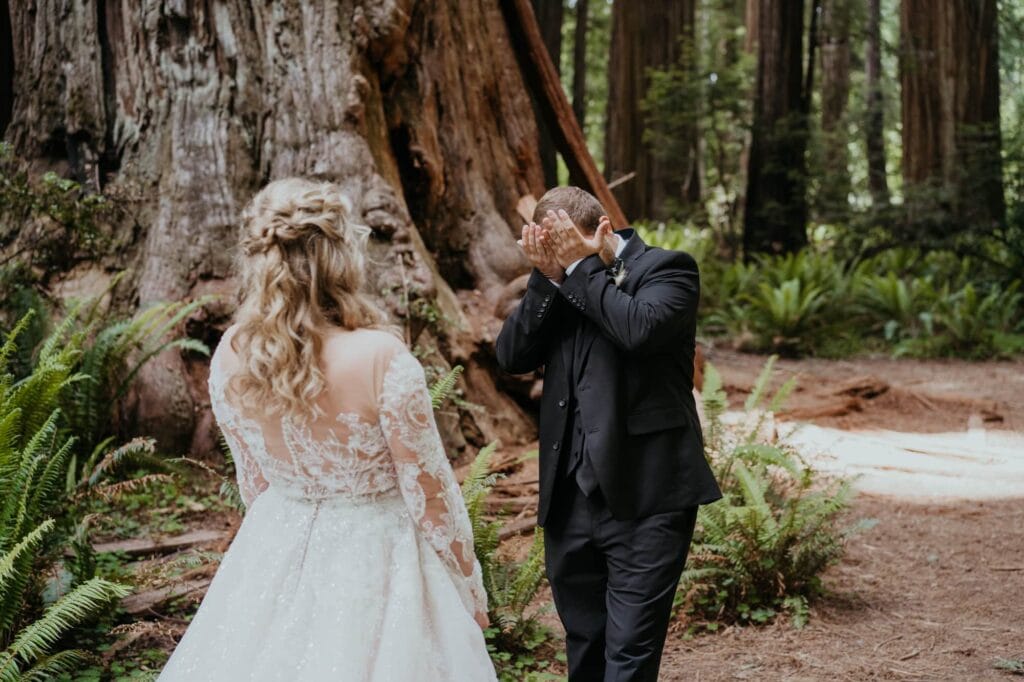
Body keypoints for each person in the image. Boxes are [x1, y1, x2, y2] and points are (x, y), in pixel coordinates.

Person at [159, 178, 495, 681]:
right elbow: (430, 492)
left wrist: (284, 545)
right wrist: (468, 586)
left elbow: (255, 482)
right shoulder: (382, 357)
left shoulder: (231, 352)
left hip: (274, 541)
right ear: (341, 256)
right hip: (380, 557)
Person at [495, 186, 722, 681]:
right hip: (569, 502)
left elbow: (638, 330)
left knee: (629, 658)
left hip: (648, 496)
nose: (561, 259)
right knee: (586, 648)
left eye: (565, 246)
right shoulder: (559, 278)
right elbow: (511, 358)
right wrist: (547, 278)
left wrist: (582, 269)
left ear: (602, 230)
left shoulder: (668, 269)